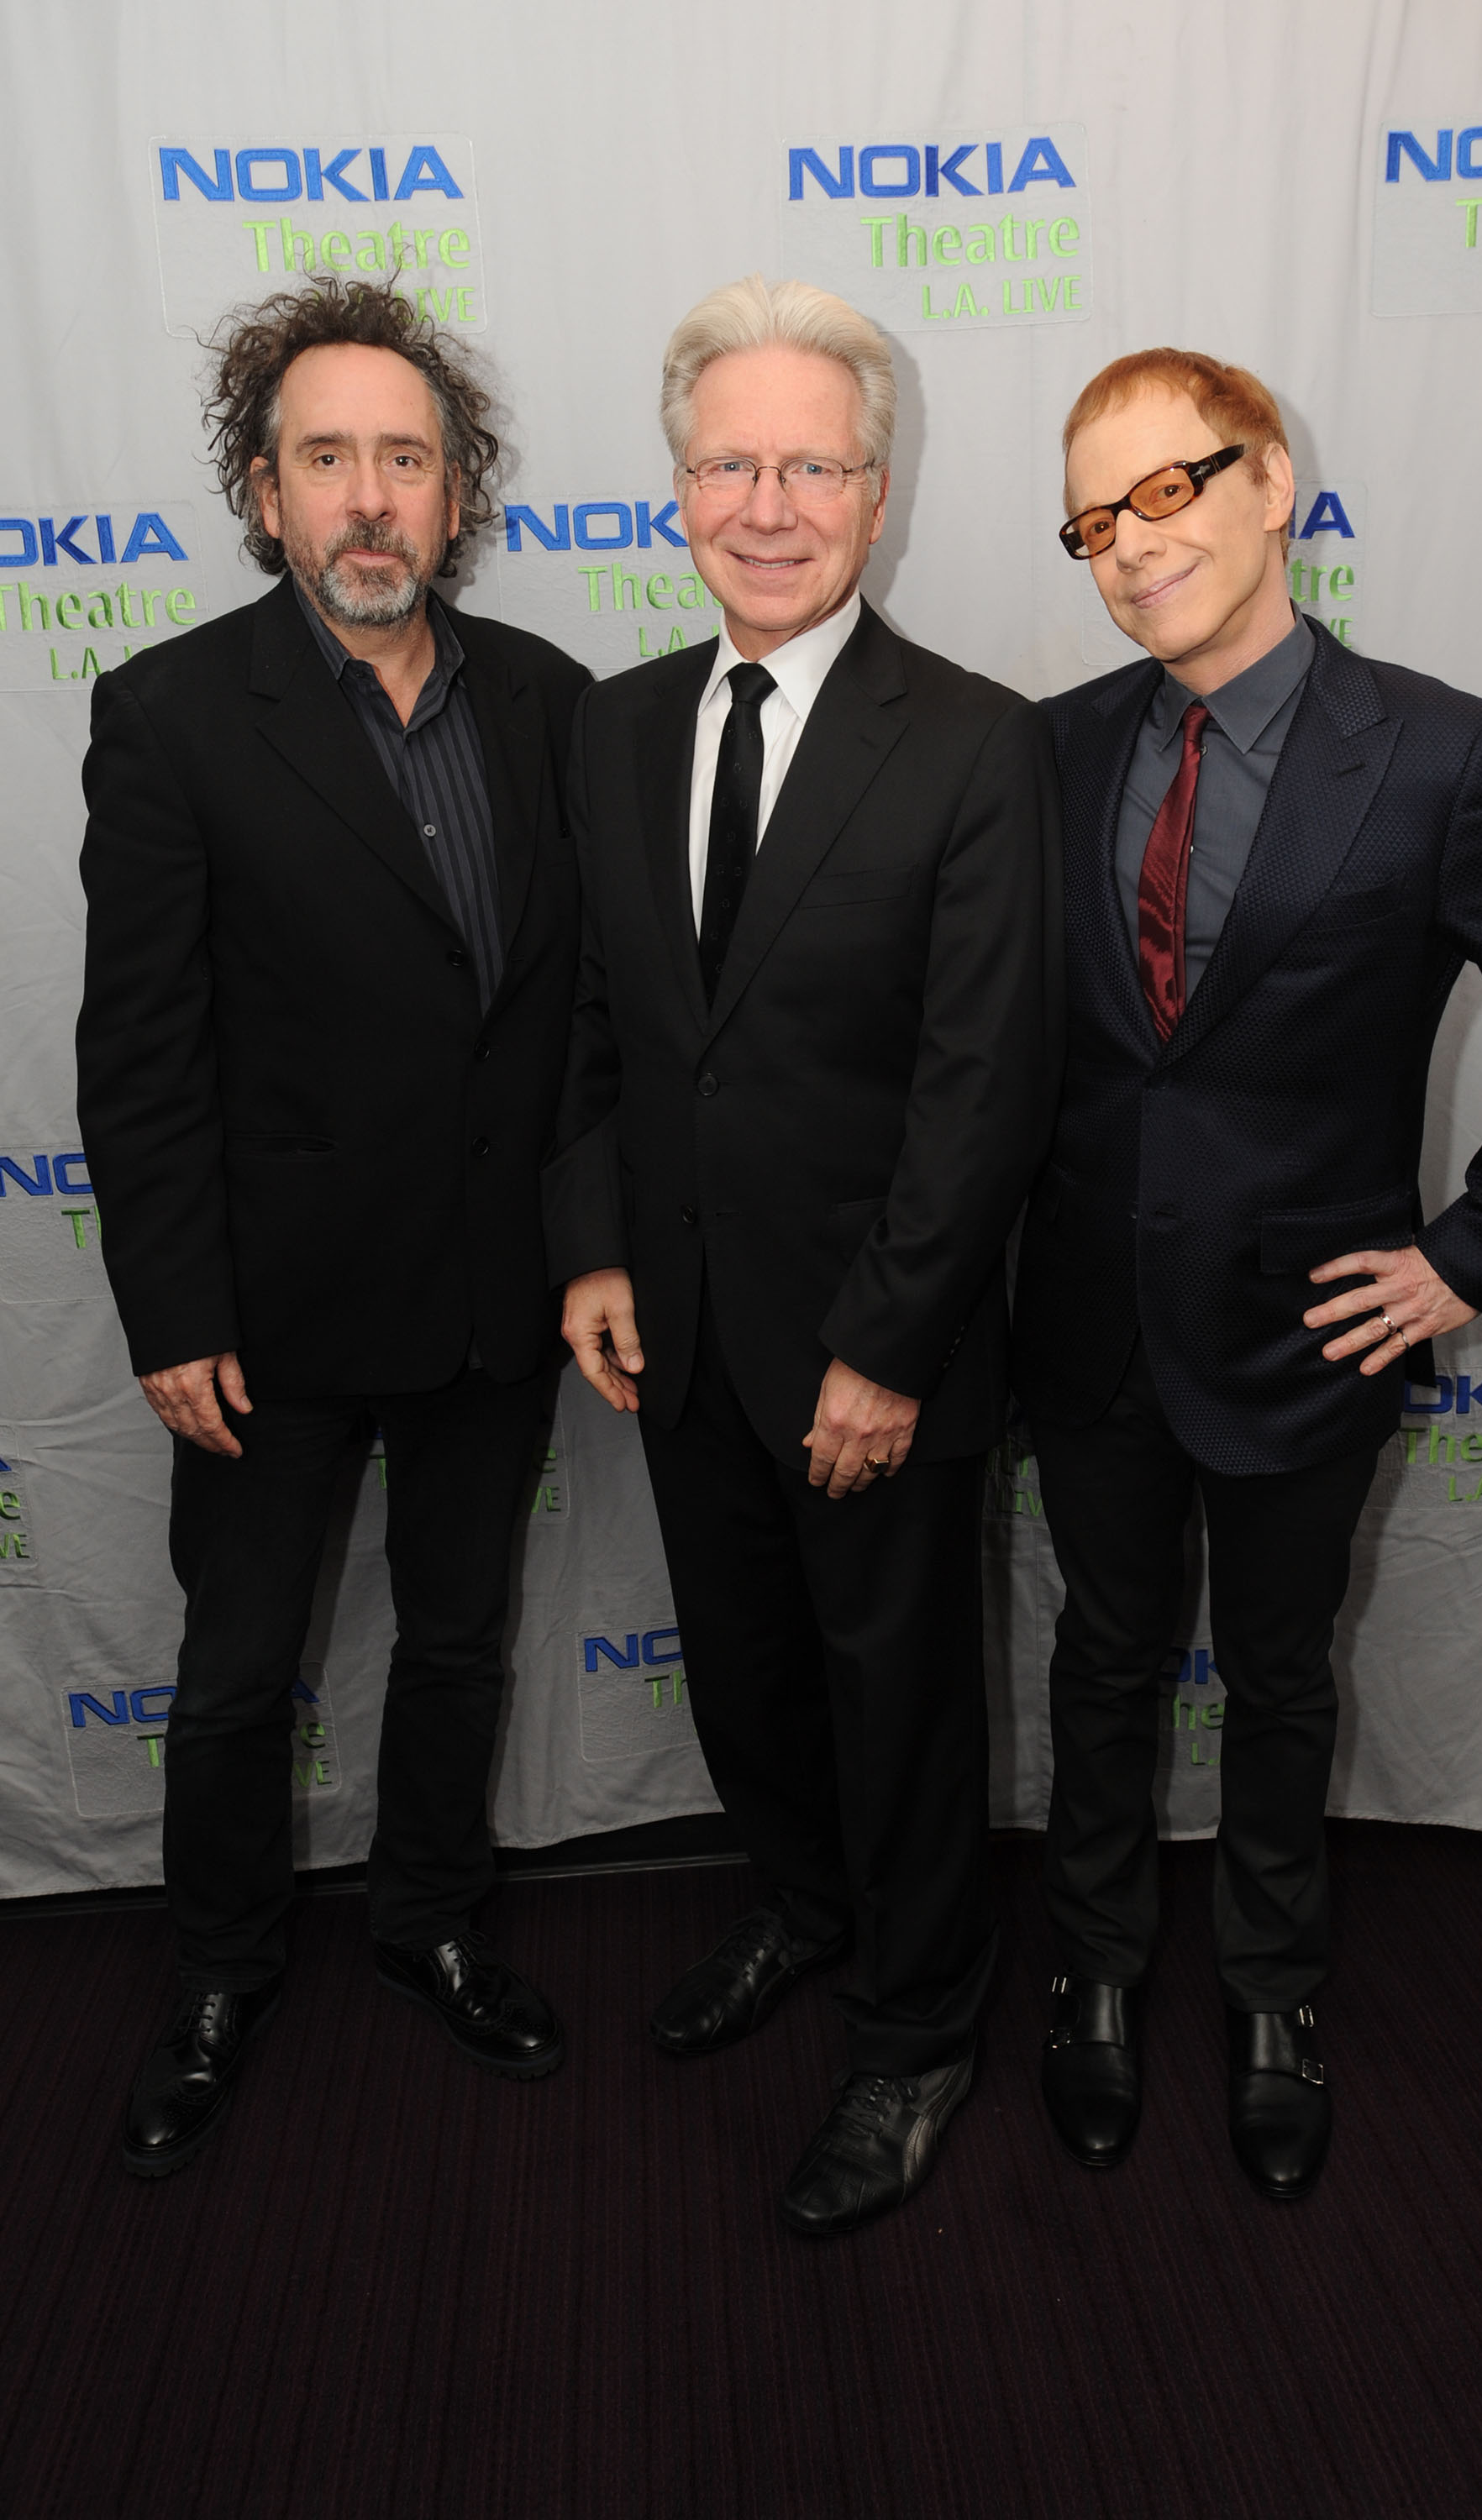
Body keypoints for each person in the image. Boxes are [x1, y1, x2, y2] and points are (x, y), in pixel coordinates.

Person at [1012, 348, 1482, 2200]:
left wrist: (1468, 1257)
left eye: (1168, 490)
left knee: (1281, 1677)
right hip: (1088, 1320)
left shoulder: (1445, 754)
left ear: (1271, 483)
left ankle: (1273, 1992)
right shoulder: (1048, 750)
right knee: (1100, 1661)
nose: (1132, 545)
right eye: (1092, 519)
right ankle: (1095, 1972)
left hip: (1312, 1332)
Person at [549, 275, 1058, 2235]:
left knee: (900, 1704)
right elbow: (600, 1024)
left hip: (873, 1356)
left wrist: (891, 1345)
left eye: (813, 468)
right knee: (748, 1678)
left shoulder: (976, 745)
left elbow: (983, 1087)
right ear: (679, 488)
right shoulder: (613, 729)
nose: (768, 506)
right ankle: (802, 1906)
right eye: (730, 465)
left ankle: (919, 2031)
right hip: (679, 1334)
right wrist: (594, 1249)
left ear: (878, 492)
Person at [77, 278, 591, 2177]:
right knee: (235, 1672)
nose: (370, 496)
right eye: (326, 458)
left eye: (405, 457)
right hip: (265, 1318)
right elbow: (138, 1053)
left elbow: (577, 1019)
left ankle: (430, 1919)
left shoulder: (547, 701)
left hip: (490, 1301)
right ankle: (218, 1970)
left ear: (456, 492)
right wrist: (171, 1308)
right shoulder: (170, 714)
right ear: (265, 491)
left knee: (459, 1641)